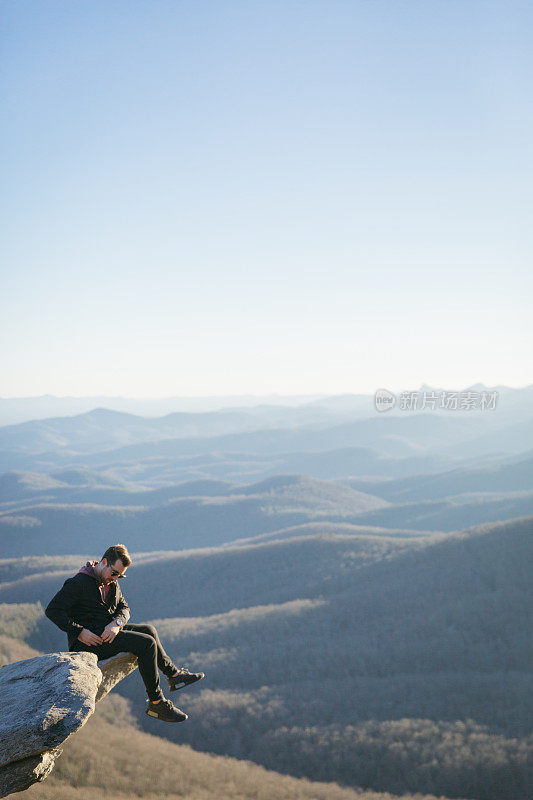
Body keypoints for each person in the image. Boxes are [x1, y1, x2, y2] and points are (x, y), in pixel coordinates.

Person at [45, 543, 204, 723]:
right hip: (89, 642)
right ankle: (156, 702)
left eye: (120, 575)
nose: (116, 578)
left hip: (106, 632)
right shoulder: (78, 583)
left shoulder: (110, 582)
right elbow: (52, 610)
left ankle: (174, 676)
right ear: (104, 562)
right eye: (114, 573)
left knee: (149, 630)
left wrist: (117, 623)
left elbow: (124, 607)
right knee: (147, 644)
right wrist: (79, 631)